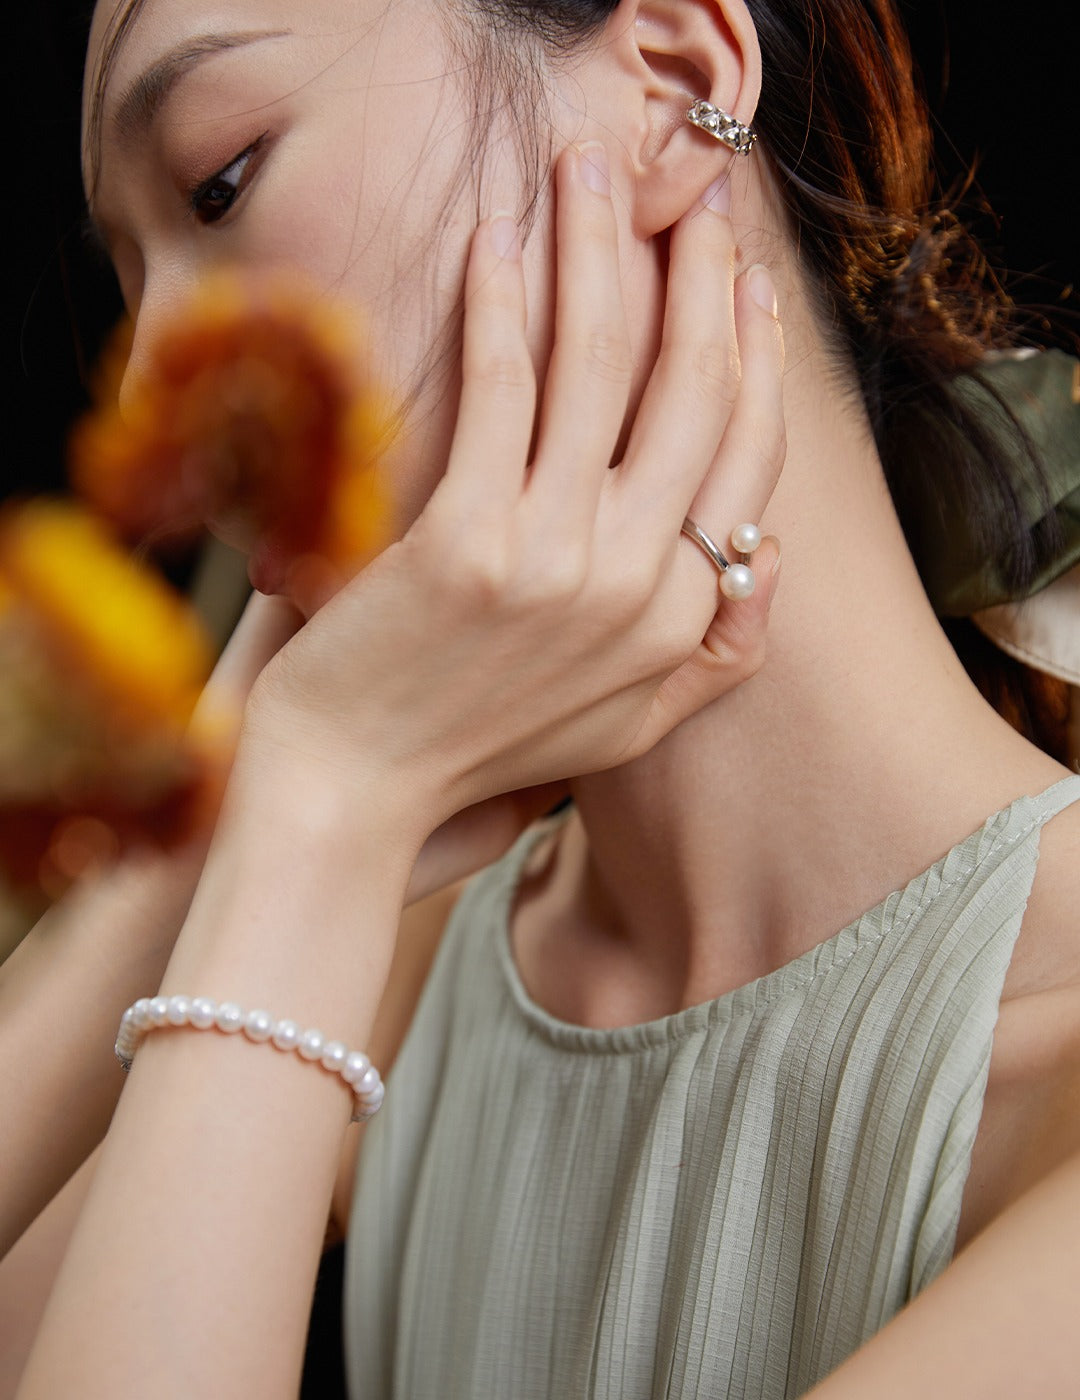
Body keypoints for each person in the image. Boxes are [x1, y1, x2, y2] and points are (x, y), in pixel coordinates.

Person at [2, 0, 1079, 1396]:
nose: (146, 388)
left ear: (673, 88)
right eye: (133, 280)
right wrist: (251, 807)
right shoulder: (389, 969)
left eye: (221, 184)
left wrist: (321, 805)